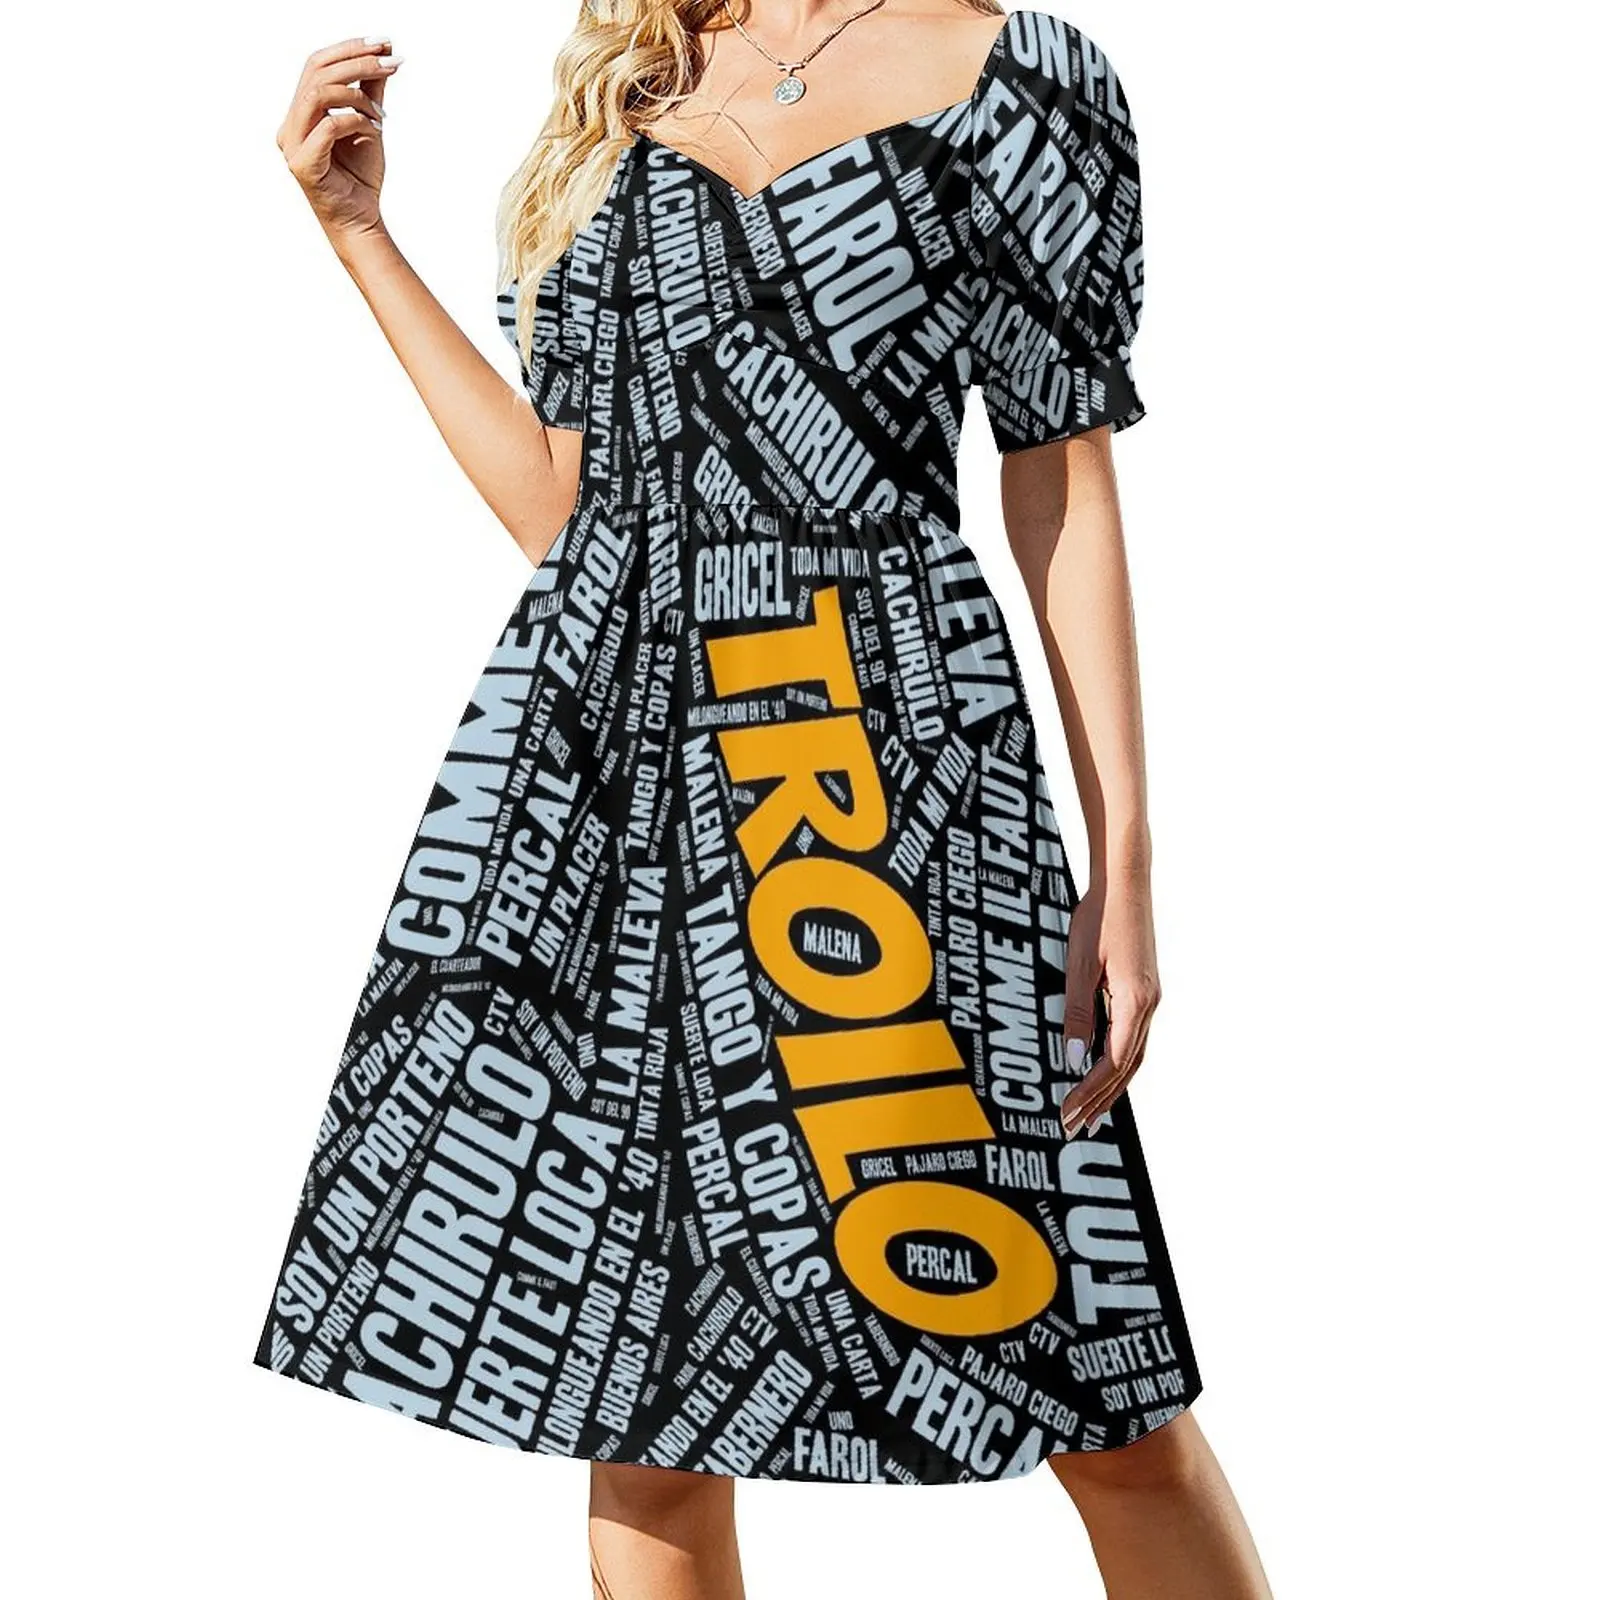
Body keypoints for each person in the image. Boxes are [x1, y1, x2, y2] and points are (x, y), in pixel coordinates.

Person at [260, 4, 1273, 1596]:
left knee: (1100, 1379)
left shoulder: (1024, 75)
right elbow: (567, 506)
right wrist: (357, 231)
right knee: (651, 1405)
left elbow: (1060, 475)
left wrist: (1123, 854)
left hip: (892, 775)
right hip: (621, 787)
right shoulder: (638, 81)